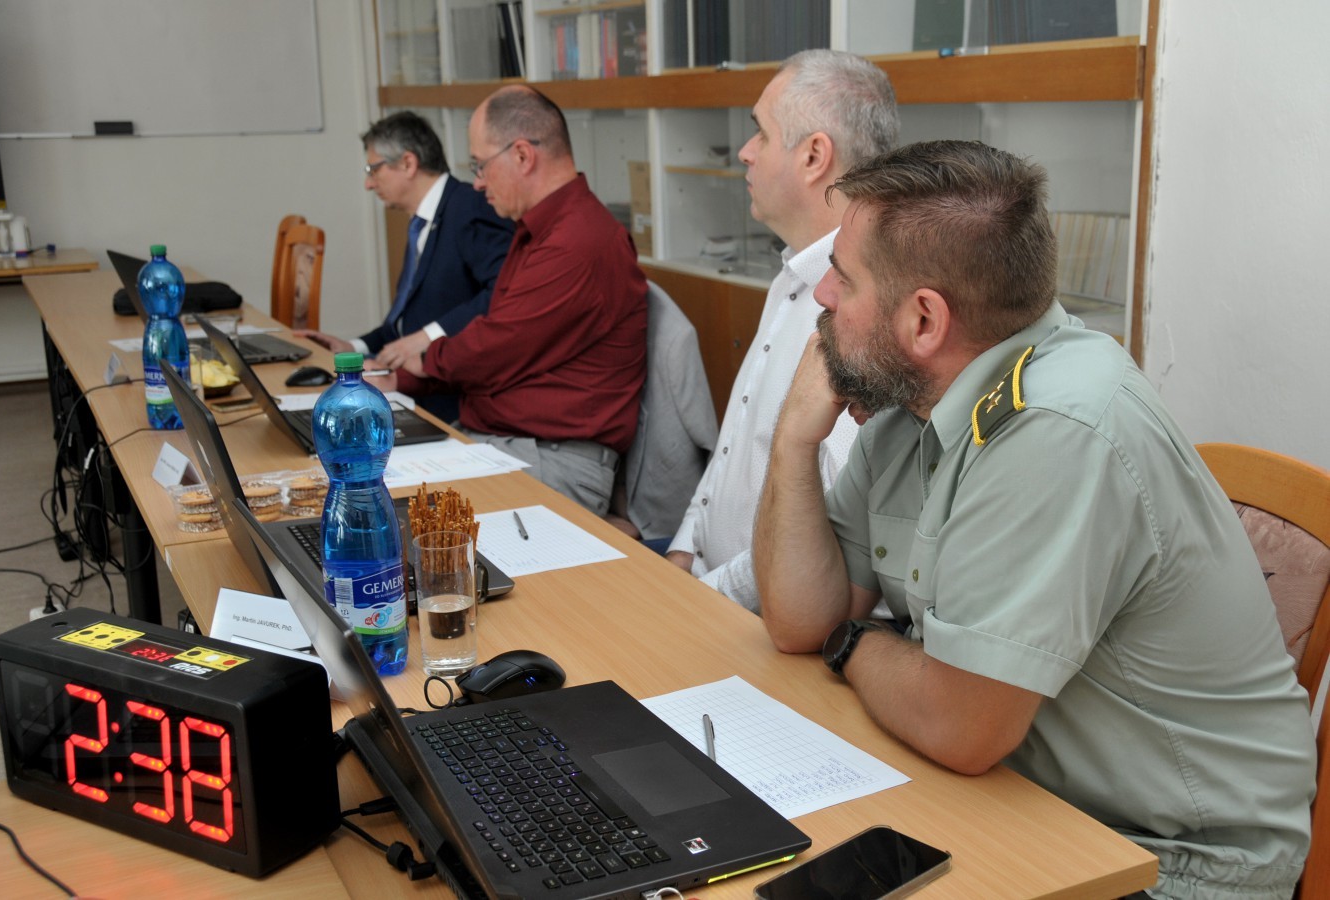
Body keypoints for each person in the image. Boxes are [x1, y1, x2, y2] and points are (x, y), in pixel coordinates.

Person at [755, 140, 1316, 898]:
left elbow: (958, 725)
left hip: (1171, 862)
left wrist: (854, 641)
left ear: (924, 319)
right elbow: (799, 621)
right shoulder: (915, 398)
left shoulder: (1056, 429)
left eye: (843, 277)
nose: (822, 294)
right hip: (1020, 801)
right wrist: (794, 441)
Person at [667, 50, 897, 612]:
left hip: (768, 623)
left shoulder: (864, 311)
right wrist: (682, 552)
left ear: (814, 156)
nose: (745, 151)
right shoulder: (795, 272)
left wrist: (696, 599)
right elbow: (731, 451)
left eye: (761, 134)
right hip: (708, 592)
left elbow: (830, 533)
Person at [397, 86, 647, 516]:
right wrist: (403, 377)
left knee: (394, 518)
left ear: (522, 156)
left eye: (480, 165)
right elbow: (502, 343)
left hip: (551, 460)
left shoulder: (577, 242)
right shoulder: (539, 229)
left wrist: (417, 365)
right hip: (508, 444)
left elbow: (496, 347)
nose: (477, 182)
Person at [296, 111, 513, 422]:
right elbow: (401, 325)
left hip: (446, 396)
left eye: (374, 169)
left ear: (408, 163)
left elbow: (503, 292)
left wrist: (427, 336)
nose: (368, 183)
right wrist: (353, 346)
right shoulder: (422, 221)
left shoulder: (469, 207)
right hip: (406, 381)